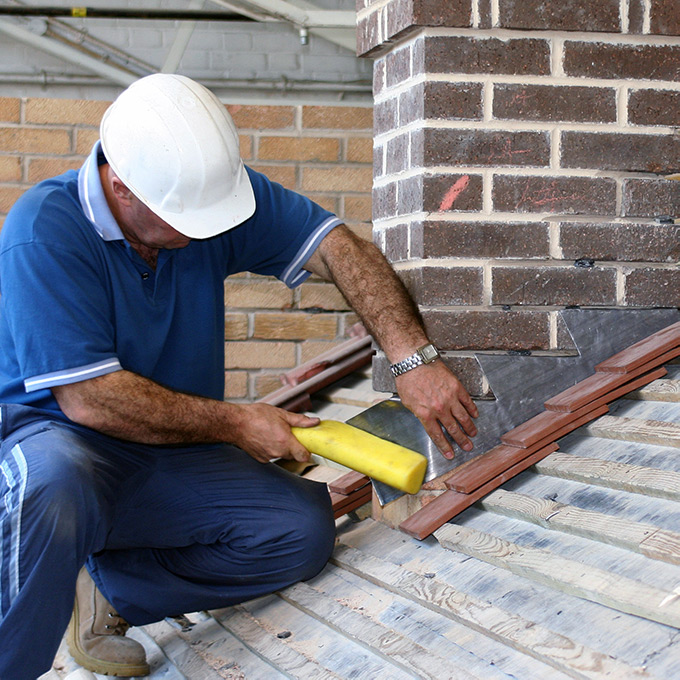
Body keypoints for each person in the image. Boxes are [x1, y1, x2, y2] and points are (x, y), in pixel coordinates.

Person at [0, 74, 478, 679]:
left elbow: (338, 246)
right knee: (53, 487)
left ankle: (112, 588)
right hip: (57, 442)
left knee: (298, 531)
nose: (205, 235)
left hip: (167, 446)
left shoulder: (208, 200)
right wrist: (236, 423)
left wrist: (412, 357)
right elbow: (91, 401)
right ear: (121, 187)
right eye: (184, 222)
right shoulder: (44, 230)